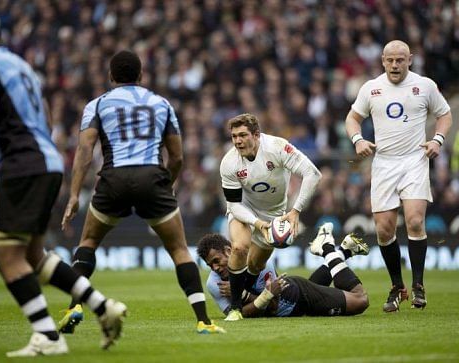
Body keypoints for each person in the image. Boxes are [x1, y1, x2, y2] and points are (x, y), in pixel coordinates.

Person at [0, 8, 126, 357]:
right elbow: (44, 113)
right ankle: (103, 307)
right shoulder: (21, 65)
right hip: (47, 160)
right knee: (32, 255)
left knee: (4, 254)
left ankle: (47, 335)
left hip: (22, 164)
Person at [59, 50, 224, 335]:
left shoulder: (97, 105)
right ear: (141, 76)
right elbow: (177, 157)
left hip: (113, 178)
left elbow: (85, 151)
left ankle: (75, 305)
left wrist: (74, 195)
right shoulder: (162, 104)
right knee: (179, 250)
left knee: (88, 241)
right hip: (152, 177)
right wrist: (167, 185)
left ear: (110, 76)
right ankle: (203, 321)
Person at [345, 40, 453, 312]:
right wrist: (358, 140)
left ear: (410, 59)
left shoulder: (425, 85)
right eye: (390, 60)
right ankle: (397, 287)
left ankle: (418, 285)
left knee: (415, 221)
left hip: (414, 160)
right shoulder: (371, 88)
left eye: (400, 60)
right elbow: (352, 118)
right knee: (384, 229)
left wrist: (437, 140)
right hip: (384, 163)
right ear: (382, 60)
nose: (395, 65)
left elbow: (445, 114)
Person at [219, 113, 322, 321]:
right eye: (234, 136)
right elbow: (234, 205)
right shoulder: (229, 163)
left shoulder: (277, 147)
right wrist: (257, 223)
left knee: (256, 265)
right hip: (245, 211)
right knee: (239, 247)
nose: (237, 141)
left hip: (275, 214)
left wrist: (295, 211)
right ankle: (236, 309)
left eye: (242, 135)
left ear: (256, 135)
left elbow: (313, 173)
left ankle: (248, 301)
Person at [196, 223, 370, 317]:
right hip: (298, 308)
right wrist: (257, 297)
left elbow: (273, 306)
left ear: (229, 251)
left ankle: (327, 248)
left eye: (216, 261)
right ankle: (344, 251)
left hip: (301, 294)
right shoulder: (214, 284)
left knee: (361, 300)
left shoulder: (258, 263)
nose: (215, 268)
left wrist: (244, 296)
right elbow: (237, 315)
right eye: (210, 265)